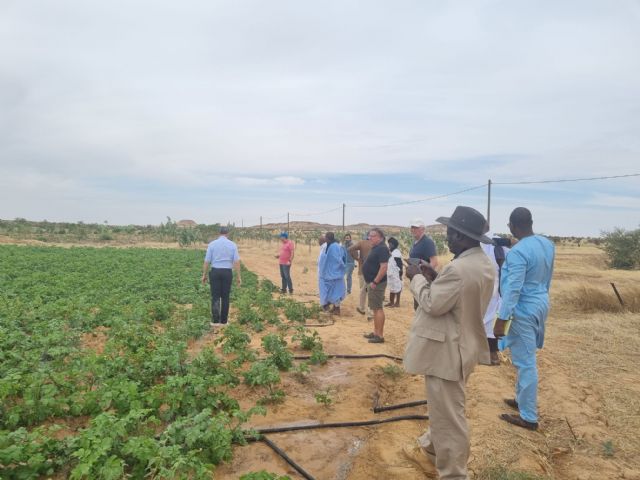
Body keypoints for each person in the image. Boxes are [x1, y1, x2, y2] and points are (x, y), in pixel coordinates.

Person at [403, 206, 495, 479]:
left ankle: (454, 473)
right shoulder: (481, 263)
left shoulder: (457, 268)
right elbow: (458, 296)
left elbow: (432, 304)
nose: (447, 238)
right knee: (443, 410)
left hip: (447, 352)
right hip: (463, 346)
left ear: (460, 235)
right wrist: (436, 277)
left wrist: (417, 277)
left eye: (450, 234)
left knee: (450, 421)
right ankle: (430, 451)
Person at [494, 207, 555, 431]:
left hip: (523, 310)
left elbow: (513, 289)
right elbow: (547, 276)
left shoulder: (518, 253)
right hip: (540, 303)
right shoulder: (547, 244)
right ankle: (520, 400)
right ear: (531, 222)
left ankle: (528, 417)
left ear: (512, 225)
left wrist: (502, 318)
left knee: (525, 363)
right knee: (523, 357)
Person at [201, 226, 242, 328]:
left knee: (215, 296)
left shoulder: (212, 244)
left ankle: (215, 322)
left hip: (215, 272)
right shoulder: (232, 245)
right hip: (227, 272)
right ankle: (224, 322)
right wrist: (238, 276)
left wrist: (204, 275)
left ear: (219, 233)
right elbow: (236, 262)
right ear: (227, 234)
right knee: (225, 297)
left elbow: (207, 261)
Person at [480, 223, 509, 365]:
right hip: (496, 288)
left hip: (490, 287)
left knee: (488, 320)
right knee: (490, 319)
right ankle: (491, 354)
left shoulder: (487, 242)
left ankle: (491, 354)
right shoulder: (500, 242)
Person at [361, 228, 389, 343]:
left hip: (376, 284)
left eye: (373, 236)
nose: (370, 238)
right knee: (374, 308)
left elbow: (384, 267)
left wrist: (375, 282)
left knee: (378, 309)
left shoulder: (382, 249)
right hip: (372, 282)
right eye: (369, 236)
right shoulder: (377, 247)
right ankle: (376, 332)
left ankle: (379, 336)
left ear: (380, 237)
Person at [409, 218, 439, 310]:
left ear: (422, 229)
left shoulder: (427, 242)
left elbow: (434, 262)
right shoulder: (415, 242)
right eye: (412, 227)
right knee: (417, 304)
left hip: (423, 280)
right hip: (415, 278)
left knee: (421, 305)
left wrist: (422, 276)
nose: (413, 229)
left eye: (416, 227)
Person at [318, 232, 347, 314]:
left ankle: (333, 308)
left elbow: (339, 259)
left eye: (325, 238)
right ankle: (334, 308)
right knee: (332, 291)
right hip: (331, 274)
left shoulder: (334, 247)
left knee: (333, 292)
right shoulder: (330, 246)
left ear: (328, 238)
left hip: (332, 274)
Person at [348, 234, 373, 319]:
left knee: (363, 290)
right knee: (370, 291)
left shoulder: (361, 243)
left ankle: (362, 308)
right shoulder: (377, 244)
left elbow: (350, 249)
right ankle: (370, 312)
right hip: (374, 272)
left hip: (363, 271)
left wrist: (357, 259)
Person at [385, 237, 403, 307]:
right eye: (389, 243)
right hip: (391, 273)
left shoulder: (396, 252)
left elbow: (399, 264)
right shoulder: (391, 252)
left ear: (394, 244)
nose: (389, 245)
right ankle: (391, 302)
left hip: (396, 273)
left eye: (390, 244)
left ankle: (397, 303)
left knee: (397, 287)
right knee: (392, 288)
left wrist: (400, 274)